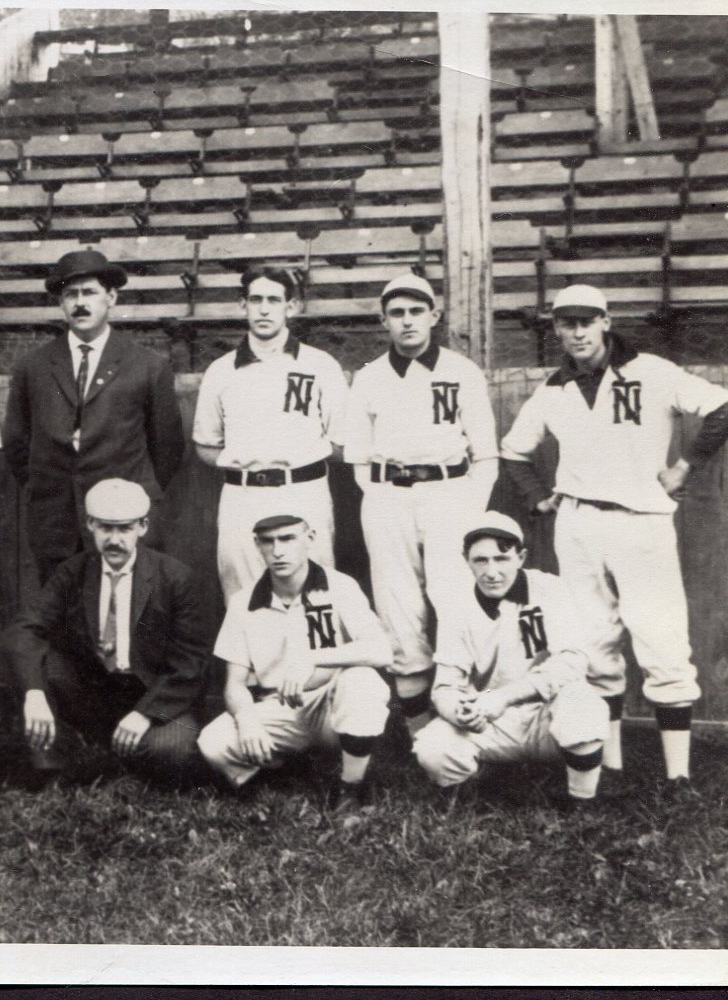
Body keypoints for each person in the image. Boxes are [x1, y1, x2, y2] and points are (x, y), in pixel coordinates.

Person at [499, 284, 728, 785]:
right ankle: (608, 763)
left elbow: (725, 407)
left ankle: (678, 776)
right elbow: (514, 450)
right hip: (578, 521)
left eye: (586, 321)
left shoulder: (650, 371)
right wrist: (538, 497)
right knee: (593, 641)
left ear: (605, 322)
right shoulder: (553, 389)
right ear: (556, 330)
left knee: (662, 639)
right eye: (567, 323)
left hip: (641, 522)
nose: (577, 332)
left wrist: (684, 466)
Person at [341, 272, 498, 739]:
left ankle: (462, 719)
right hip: (389, 495)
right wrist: (381, 496)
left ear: (434, 315)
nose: (407, 321)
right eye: (397, 313)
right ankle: (417, 729)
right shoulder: (369, 377)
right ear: (384, 321)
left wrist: (470, 506)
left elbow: (486, 455)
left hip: (450, 491)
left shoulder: (461, 371)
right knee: (397, 605)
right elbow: (358, 458)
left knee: (455, 599)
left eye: (416, 311)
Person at [6, 479, 213, 786]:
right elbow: (25, 628)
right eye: (105, 528)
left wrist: (145, 714)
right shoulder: (73, 572)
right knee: (39, 662)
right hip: (94, 692)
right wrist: (34, 694)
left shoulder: (174, 578)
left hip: (149, 690)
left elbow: (191, 662)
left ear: (143, 527)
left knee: (173, 750)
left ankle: (113, 755)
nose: (114, 540)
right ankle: (55, 764)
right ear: (90, 525)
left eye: (125, 529)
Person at [2, 249, 187, 586]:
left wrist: (134, 497)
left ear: (111, 297)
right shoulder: (33, 367)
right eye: (70, 295)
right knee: (62, 612)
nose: (80, 303)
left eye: (89, 292)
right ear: (61, 303)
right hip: (55, 524)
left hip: (123, 521)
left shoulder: (147, 365)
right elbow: (17, 443)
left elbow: (167, 447)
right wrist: (49, 491)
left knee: (126, 608)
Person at [412, 513, 608, 807]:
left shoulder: (549, 588)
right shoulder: (456, 603)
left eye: (501, 558)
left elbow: (572, 661)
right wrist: (459, 712)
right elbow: (445, 686)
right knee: (432, 747)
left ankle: (582, 804)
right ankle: (465, 796)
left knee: (583, 705)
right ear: (466, 560)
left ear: (521, 557)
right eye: (481, 560)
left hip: (547, 713)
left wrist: (503, 697)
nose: (491, 572)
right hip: (490, 721)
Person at [198, 513, 393, 808]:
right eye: (268, 541)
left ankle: (352, 786)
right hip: (279, 708)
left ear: (309, 539)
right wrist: (247, 721)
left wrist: (313, 658)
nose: (278, 551)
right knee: (213, 743)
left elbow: (381, 650)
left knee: (363, 682)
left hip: (330, 706)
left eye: (288, 539)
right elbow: (234, 684)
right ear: (257, 545)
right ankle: (283, 773)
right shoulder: (243, 602)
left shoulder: (340, 586)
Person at [193, 266, 349, 599]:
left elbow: (342, 442)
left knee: (314, 596)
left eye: (274, 300)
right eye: (256, 300)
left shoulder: (320, 365)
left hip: (303, 490)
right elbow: (206, 445)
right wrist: (245, 461)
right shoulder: (221, 370)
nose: (264, 309)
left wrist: (296, 454)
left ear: (291, 307)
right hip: (243, 496)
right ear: (243, 305)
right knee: (243, 598)